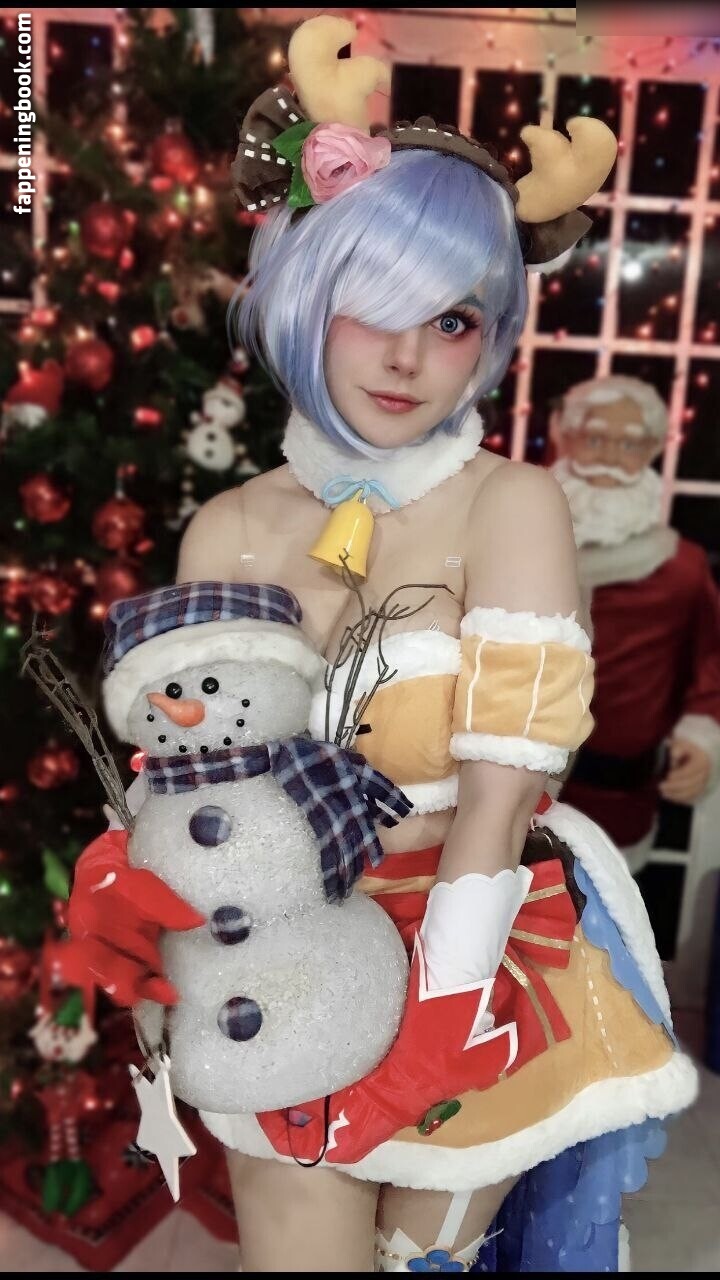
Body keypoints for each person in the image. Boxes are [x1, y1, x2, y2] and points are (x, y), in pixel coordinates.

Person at [67, 16, 696, 1273]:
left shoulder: (509, 504)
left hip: (468, 938)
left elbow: (501, 791)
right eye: (373, 306)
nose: (410, 356)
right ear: (308, 293)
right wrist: (165, 932)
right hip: (279, 947)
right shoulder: (228, 526)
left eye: (454, 319)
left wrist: (440, 1006)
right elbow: (195, 784)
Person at [551, 374, 720, 873]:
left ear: (650, 450)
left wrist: (701, 740)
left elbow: (711, 662)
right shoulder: (512, 546)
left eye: (628, 445)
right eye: (595, 439)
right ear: (567, 437)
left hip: (617, 801)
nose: (608, 459)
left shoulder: (681, 570)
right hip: (500, 787)